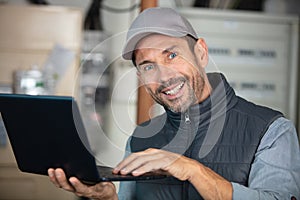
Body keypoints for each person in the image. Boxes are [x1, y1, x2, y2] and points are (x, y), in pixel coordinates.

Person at [48, 7, 300, 200]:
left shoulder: (271, 130)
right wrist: (109, 197)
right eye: (148, 66)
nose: (164, 76)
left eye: (172, 54)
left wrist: (190, 169)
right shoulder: (139, 141)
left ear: (201, 53)